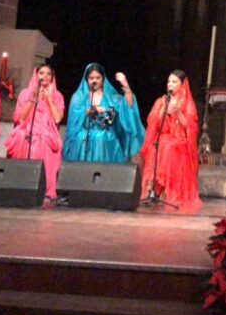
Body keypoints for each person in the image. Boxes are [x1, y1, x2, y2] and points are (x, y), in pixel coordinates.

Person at [139, 70, 202, 213]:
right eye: (169, 81)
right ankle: (153, 190)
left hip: (179, 139)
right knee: (156, 146)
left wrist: (178, 112)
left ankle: (170, 192)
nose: (170, 84)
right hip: (165, 136)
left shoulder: (187, 104)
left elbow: (189, 127)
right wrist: (163, 108)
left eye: (174, 82)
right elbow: (154, 123)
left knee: (169, 147)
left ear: (182, 85)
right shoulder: (162, 100)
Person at [5, 64, 64, 200]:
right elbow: (20, 118)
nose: (45, 76)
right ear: (36, 75)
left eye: (48, 74)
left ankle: (43, 187)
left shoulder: (57, 96)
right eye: (41, 73)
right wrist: (32, 99)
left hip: (47, 130)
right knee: (22, 136)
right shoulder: (25, 93)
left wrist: (49, 99)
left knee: (46, 140)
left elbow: (57, 118)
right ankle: (20, 184)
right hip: (27, 127)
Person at [64, 63, 143, 163]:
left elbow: (128, 106)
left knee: (102, 138)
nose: (94, 80)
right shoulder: (79, 97)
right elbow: (74, 119)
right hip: (84, 136)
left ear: (103, 79)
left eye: (98, 77)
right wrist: (90, 110)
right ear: (86, 79)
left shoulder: (110, 97)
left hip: (105, 136)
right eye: (91, 78)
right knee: (82, 139)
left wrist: (125, 84)